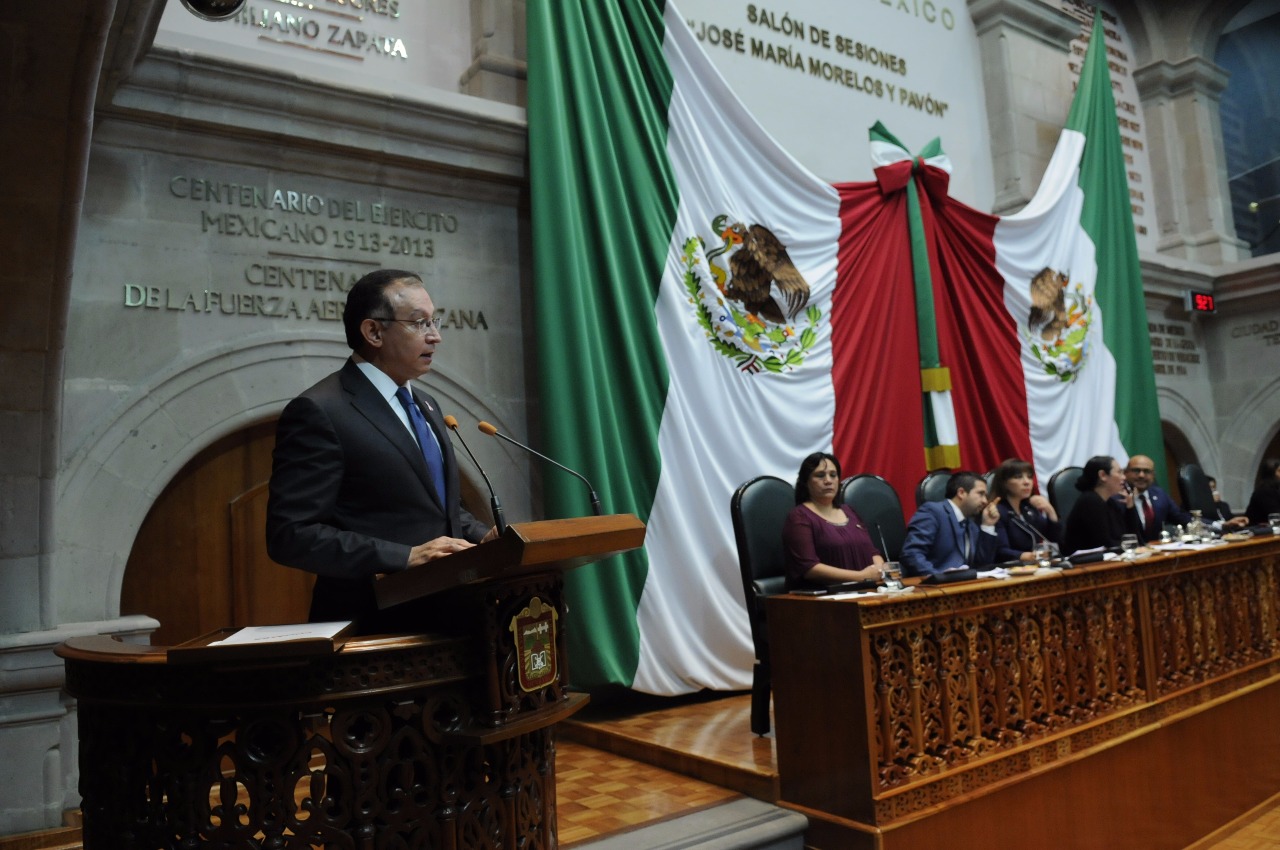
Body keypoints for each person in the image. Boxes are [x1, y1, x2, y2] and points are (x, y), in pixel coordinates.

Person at [267, 269, 494, 631]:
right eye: (419, 323)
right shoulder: (321, 410)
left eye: (434, 321)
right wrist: (403, 556)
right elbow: (291, 535)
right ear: (373, 332)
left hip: (449, 616)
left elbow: (437, 509)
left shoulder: (426, 404)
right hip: (373, 625)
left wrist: (486, 537)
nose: (435, 336)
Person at [781, 452, 885, 589]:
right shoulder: (799, 517)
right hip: (824, 596)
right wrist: (861, 576)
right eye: (820, 475)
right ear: (806, 482)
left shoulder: (849, 511)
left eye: (833, 475)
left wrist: (879, 569)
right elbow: (809, 568)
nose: (828, 481)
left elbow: (872, 553)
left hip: (865, 590)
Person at [900, 471, 1000, 578]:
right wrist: (938, 578)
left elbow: (982, 565)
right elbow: (912, 553)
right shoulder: (933, 512)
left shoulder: (972, 526)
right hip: (935, 585)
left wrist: (988, 525)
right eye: (981, 494)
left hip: (965, 584)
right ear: (961, 493)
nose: (985, 501)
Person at [1061, 455, 1140, 554]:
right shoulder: (1089, 501)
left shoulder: (1110, 502)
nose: (1124, 477)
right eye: (1119, 472)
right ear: (1103, 475)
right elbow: (1106, 544)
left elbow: (1131, 537)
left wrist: (1130, 507)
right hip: (1088, 562)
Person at [990, 458, 1060, 562]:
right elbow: (1000, 551)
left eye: (1029, 477)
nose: (1027, 482)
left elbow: (1056, 541)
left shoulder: (1028, 508)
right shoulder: (998, 512)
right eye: (1018, 477)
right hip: (1011, 567)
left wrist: (1050, 511)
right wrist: (1027, 556)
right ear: (1004, 483)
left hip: (1035, 564)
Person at [1245, 458, 1280, 526]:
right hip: (1257, 529)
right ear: (1271, 473)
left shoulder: (1275, 488)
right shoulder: (1264, 490)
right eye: (1279, 471)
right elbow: (1275, 514)